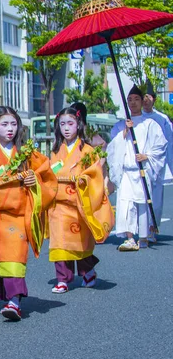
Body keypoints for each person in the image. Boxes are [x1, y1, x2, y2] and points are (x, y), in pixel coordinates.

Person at [0, 106, 57, 321]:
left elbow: (46, 174)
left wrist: (34, 180)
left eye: (13, 124)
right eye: (4, 124)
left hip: (19, 213)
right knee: (4, 256)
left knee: (14, 255)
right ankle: (11, 298)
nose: (10, 129)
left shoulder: (26, 153)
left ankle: (14, 301)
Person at [48, 107, 114, 294]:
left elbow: (96, 175)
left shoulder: (88, 150)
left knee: (79, 243)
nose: (66, 128)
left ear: (79, 125)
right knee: (59, 241)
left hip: (78, 203)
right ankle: (62, 279)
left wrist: (83, 179)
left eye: (70, 123)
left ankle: (88, 271)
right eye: (62, 124)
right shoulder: (55, 150)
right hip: (58, 204)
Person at [107, 85, 167, 251]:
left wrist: (147, 156)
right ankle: (129, 237)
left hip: (142, 170)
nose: (133, 103)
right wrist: (125, 132)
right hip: (127, 171)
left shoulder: (150, 124)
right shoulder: (121, 125)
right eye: (130, 100)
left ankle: (143, 236)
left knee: (142, 203)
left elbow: (160, 146)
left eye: (136, 99)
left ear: (142, 101)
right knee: (126, 203)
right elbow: (113, 148)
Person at [142, 79, 173, 242]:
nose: (146, 101)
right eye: (143, 98)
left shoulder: (162, 119)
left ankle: (153, 228)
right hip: (141, 162)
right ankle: (142, 230)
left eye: (149, 97)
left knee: (156, 200)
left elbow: (169, 142)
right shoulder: (136, 118)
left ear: (154, 99)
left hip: (157, 164)